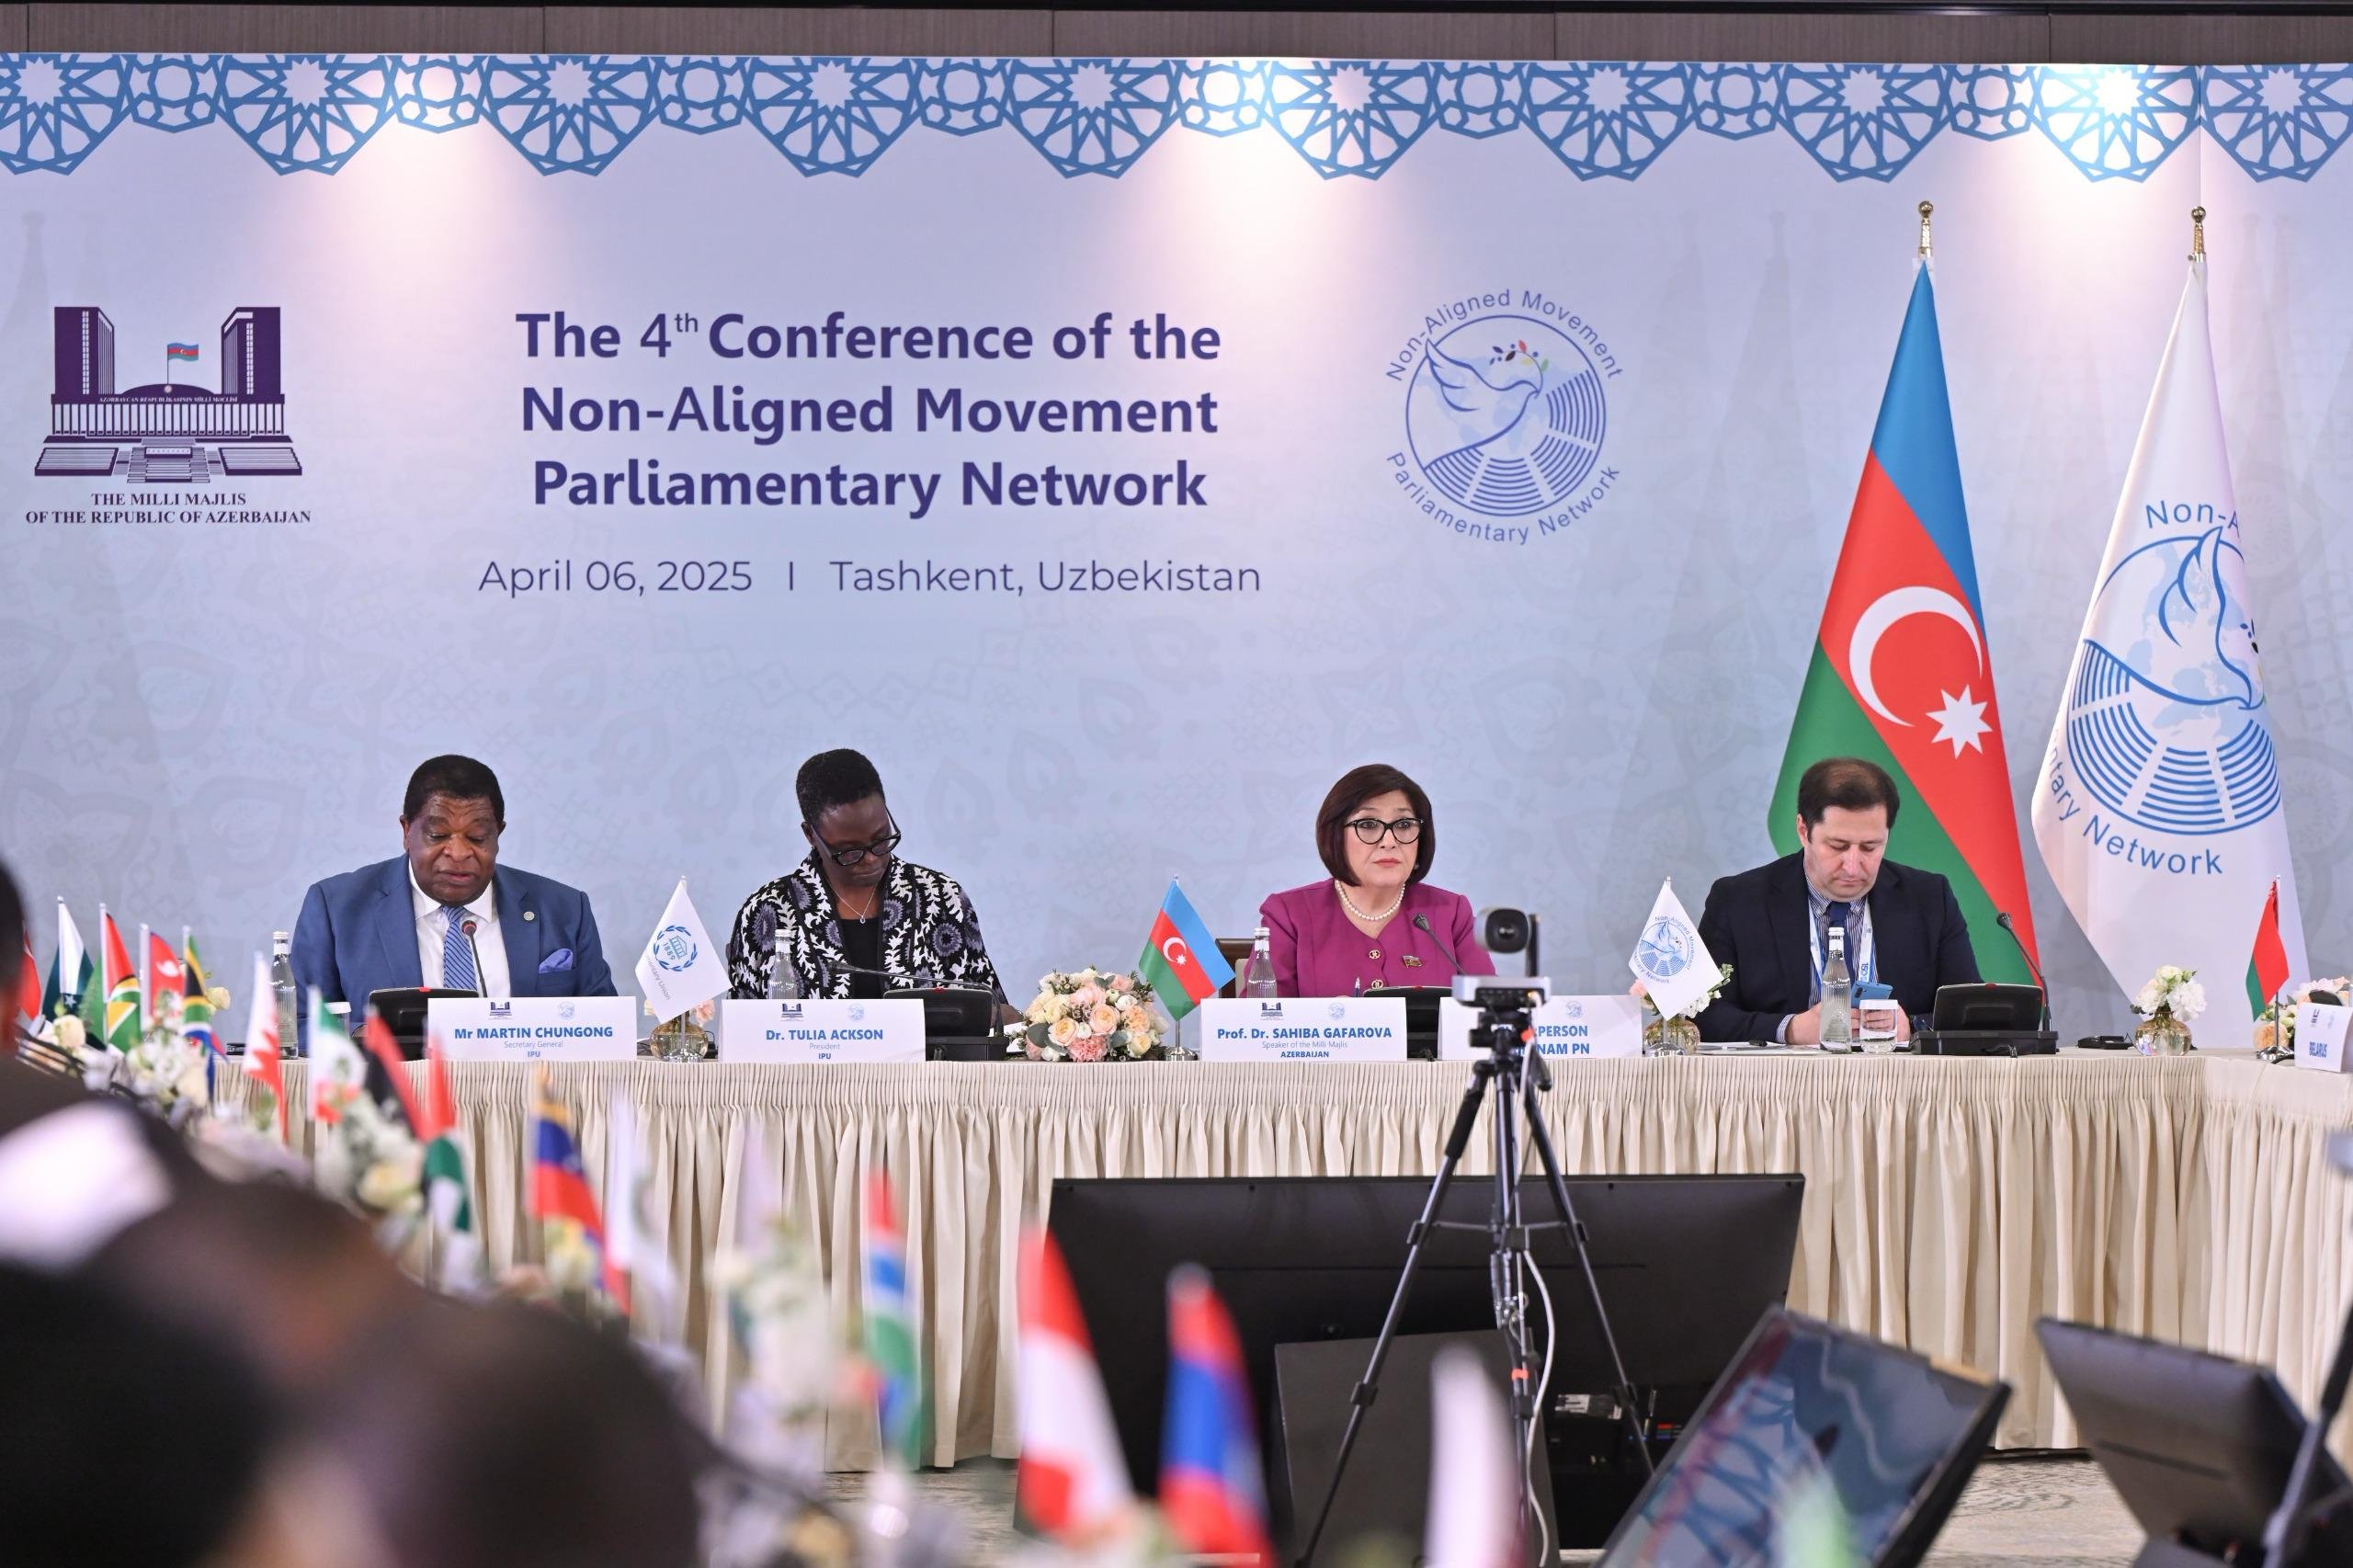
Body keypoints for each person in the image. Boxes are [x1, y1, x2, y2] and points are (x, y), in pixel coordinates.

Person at [291, 755, 616, 1018]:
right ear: (406, 831)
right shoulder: (337, 909)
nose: (459, 853)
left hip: (527, 1082)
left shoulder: (564, 909)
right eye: (438, 836)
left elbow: (606, 1024)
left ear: (498, 834)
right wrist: (367, 1039)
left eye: (477, 837)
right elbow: (299, 1025)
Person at [1693, 756, 1981, 1045]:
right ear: (1803, 830)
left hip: (1896, 1072)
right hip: (1783, 1073)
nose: (1853, 867)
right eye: (1837, 846)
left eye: (1870, 847)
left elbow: (1969, 1011)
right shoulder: (1739, 901)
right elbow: (1701, 1014)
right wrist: (1788, 1029)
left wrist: (1915, 1027)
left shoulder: (1930, 899)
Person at [727, 748, 1006, 1003]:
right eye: (849, 851)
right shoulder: (766, 913)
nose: (871, 859)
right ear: (810, 834)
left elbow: (993, 1014)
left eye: (881, 839)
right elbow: (740, 1029)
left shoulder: (941, 897)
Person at [1257, 764, 1494, 997]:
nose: (1389, 841)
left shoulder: (1452, 914)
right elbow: (1259, 1016)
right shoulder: (1289, 915)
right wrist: (1327, 1016)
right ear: (1335, 835)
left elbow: (1489, 1010)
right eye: (1368, 824)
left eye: (1404, 824)